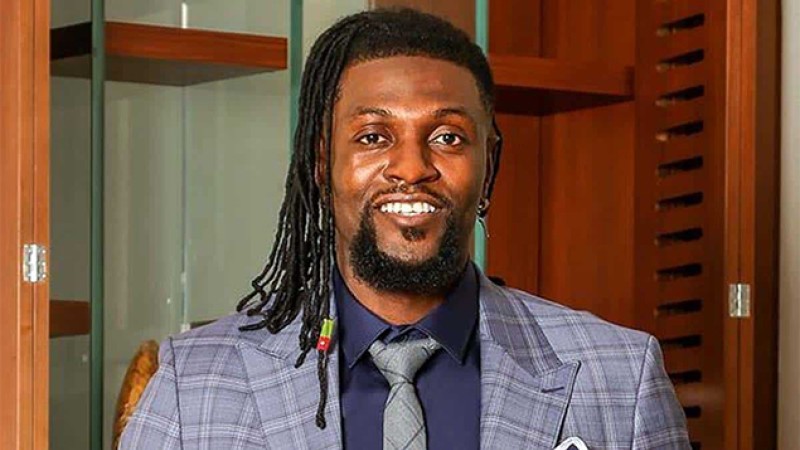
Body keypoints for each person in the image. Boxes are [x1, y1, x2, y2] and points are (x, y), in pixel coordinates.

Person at [120, 8, 690, 450]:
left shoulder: (620, 376)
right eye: (373, 137)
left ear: (489, 162)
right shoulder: (192, 383)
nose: (412, 168)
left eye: (447, 137)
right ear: (321, 163)